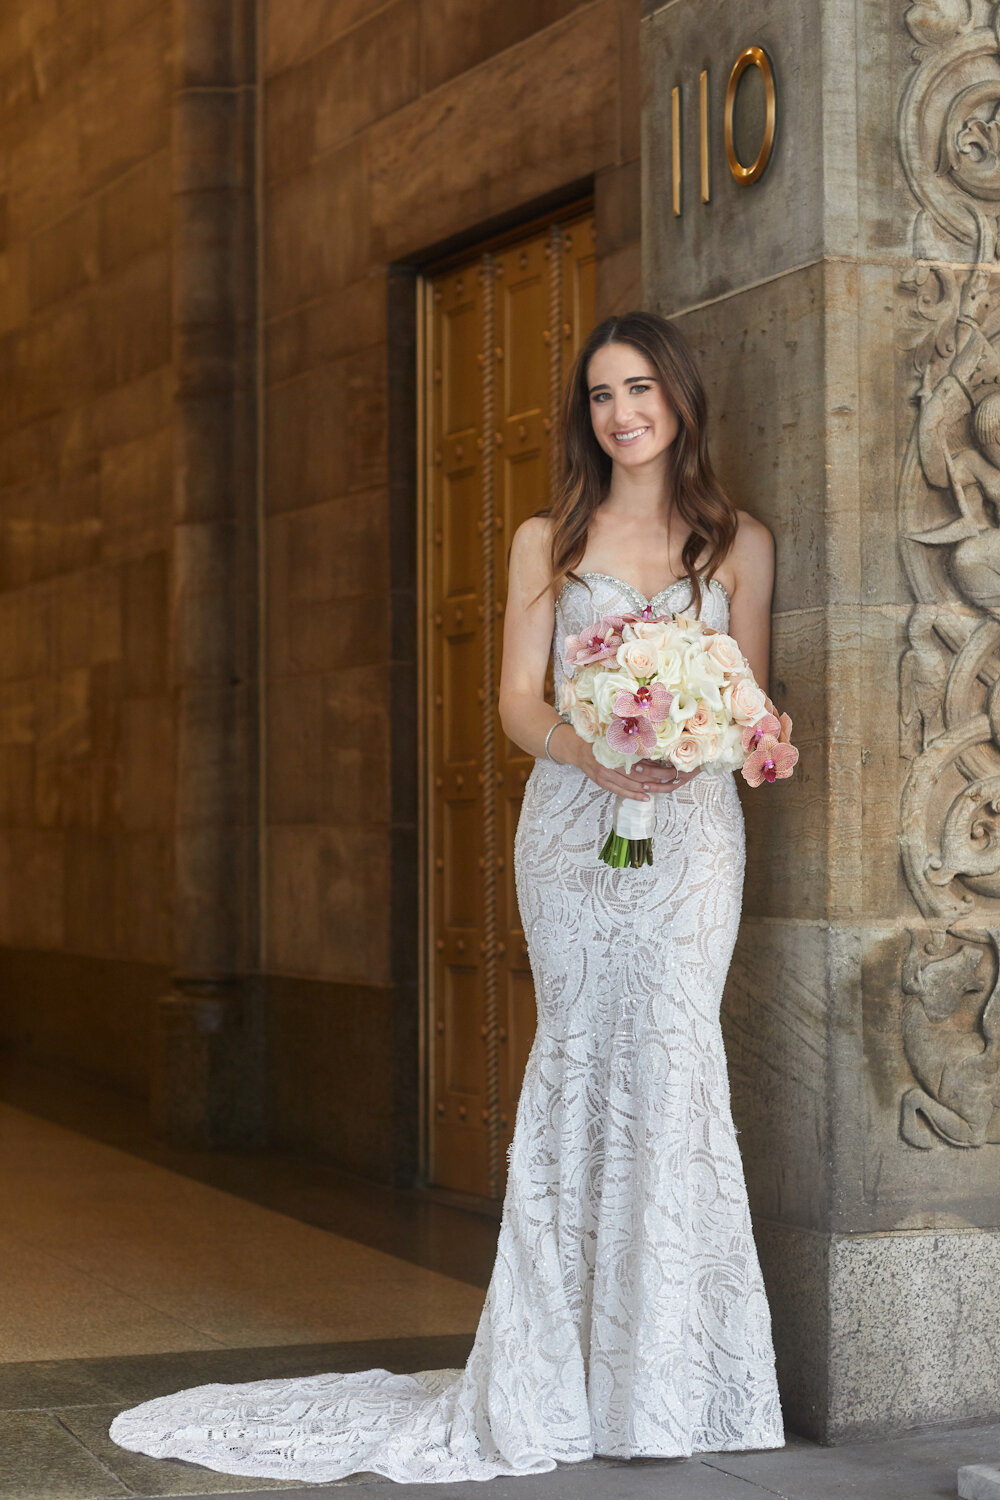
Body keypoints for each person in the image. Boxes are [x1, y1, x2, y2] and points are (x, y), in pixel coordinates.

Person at [108, 310, 784, 1484]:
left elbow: (752, 703)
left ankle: (675, 1380)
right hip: (576, 831)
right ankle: (553, 1374)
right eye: (598, 396)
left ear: (679, 398)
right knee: (580, 1061)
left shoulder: (738, 547)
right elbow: (519, 707)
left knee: (675, 1066)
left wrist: (711, 736)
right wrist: (590, 751)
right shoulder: (548, 539)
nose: (619, 414)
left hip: (690, 839)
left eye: (638, 389)